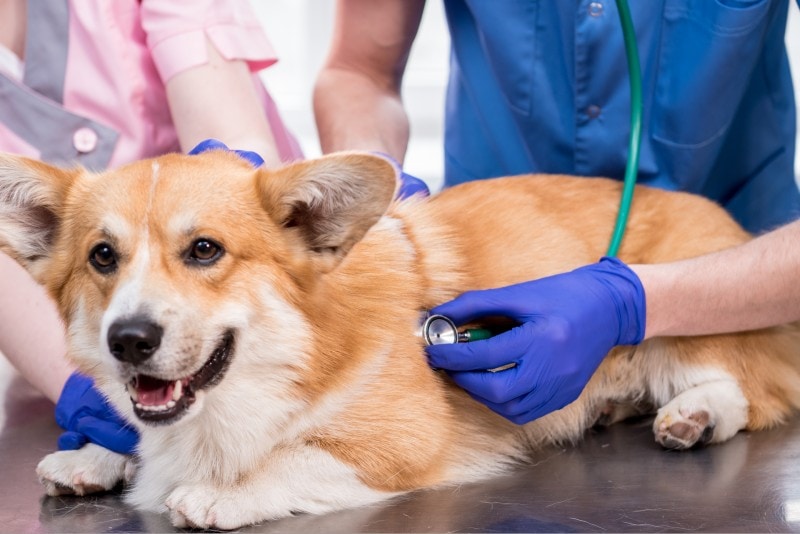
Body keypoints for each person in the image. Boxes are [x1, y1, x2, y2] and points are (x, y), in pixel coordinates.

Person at [313, 1, 800, 423]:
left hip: (745, 274)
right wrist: (375, 188)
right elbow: (359, 72)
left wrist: (631, 305)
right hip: (489, 266)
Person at [0, 0, 302, 452]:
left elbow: (233, 136)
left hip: (253, 317)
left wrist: (246, 191)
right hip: (66, 353)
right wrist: (78, 385)